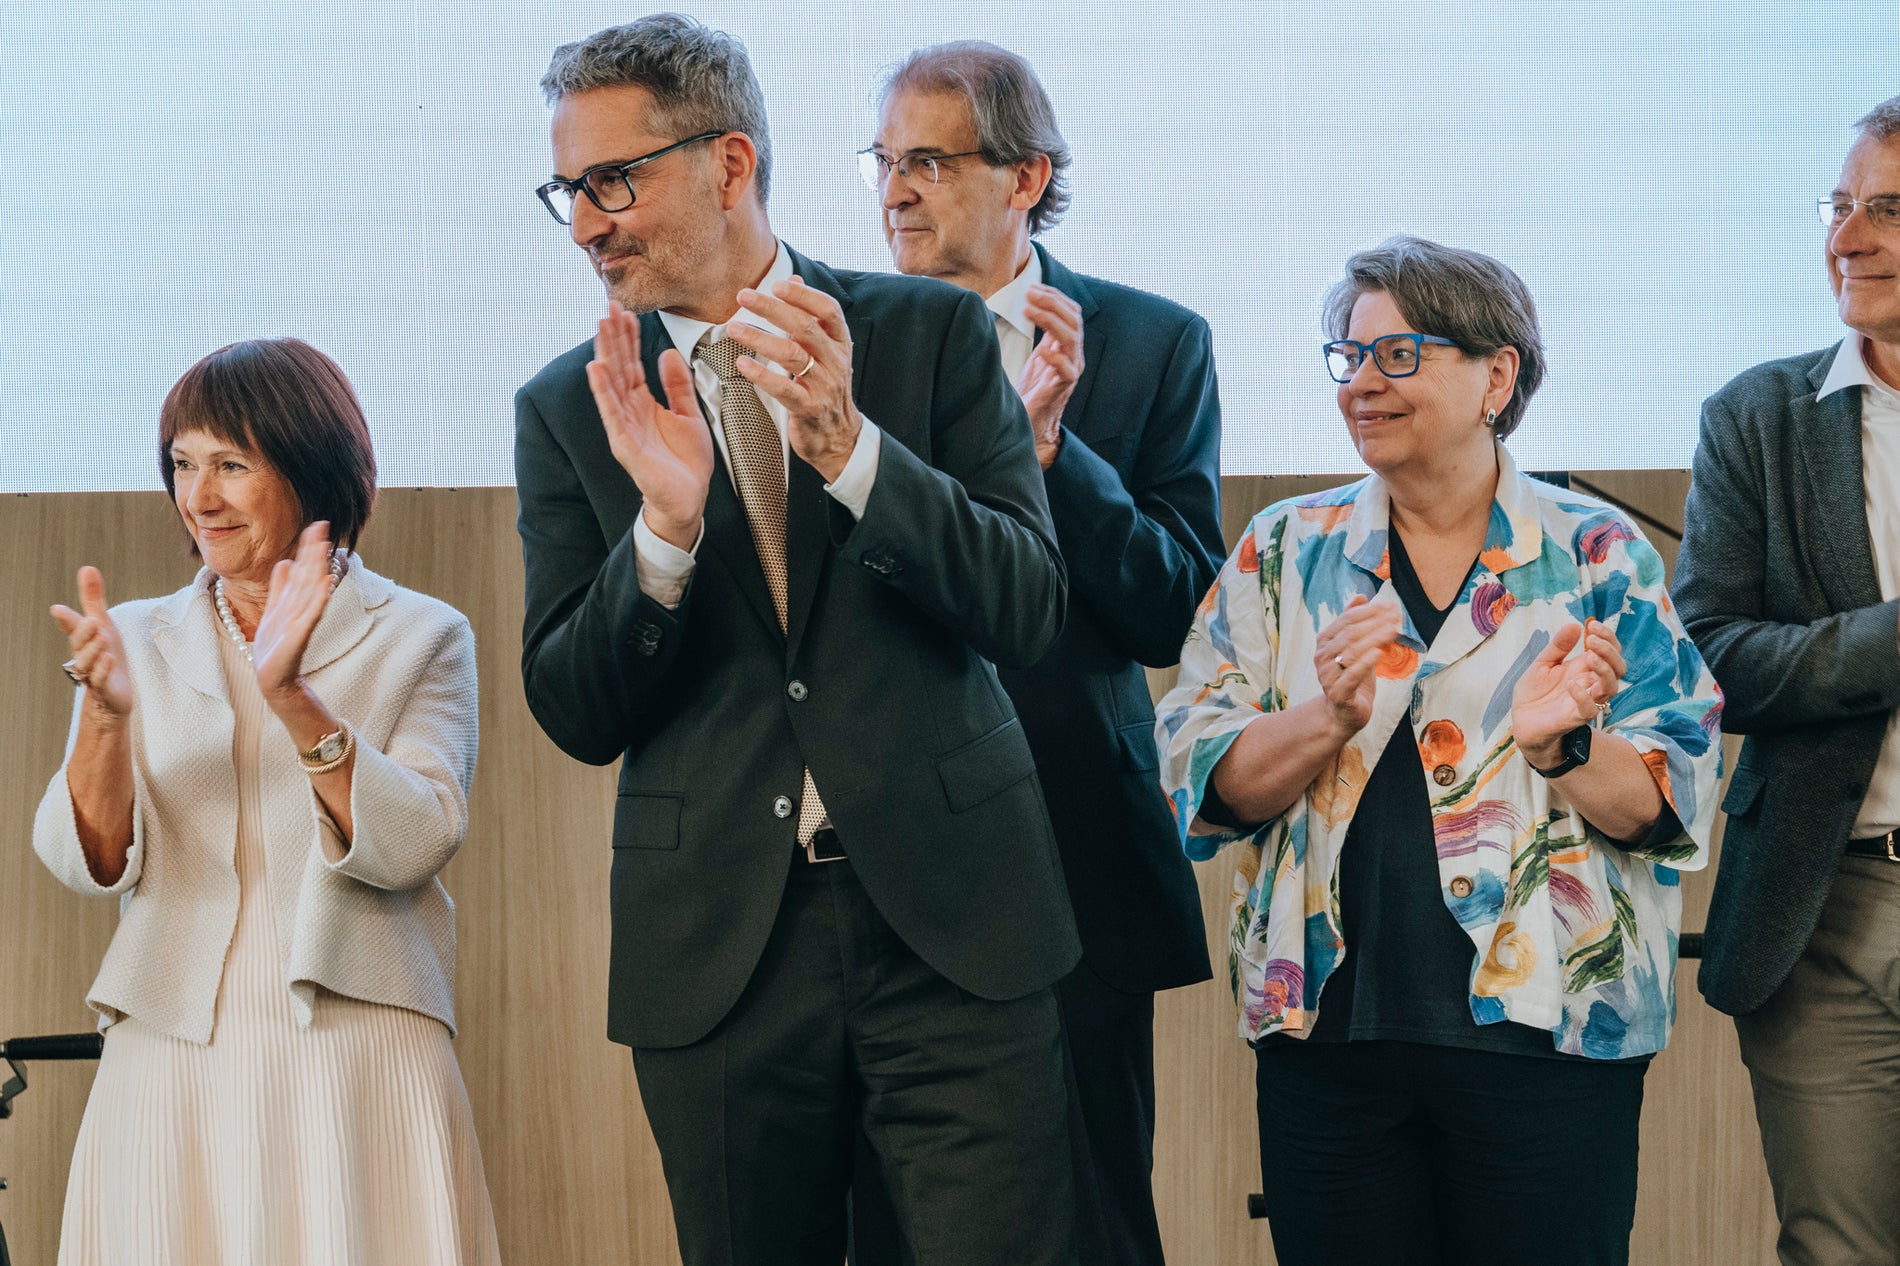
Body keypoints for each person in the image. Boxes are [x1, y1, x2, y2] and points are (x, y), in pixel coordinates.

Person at [513, 17, 1079, 1266]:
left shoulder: (926, 337)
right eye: (569, 190)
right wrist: (660, 535)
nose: (587, 224)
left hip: (953, 927)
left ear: (728, 164)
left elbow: (1028, 605)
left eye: (616, 181)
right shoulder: (566, 407)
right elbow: (572, 707)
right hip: (719, 950)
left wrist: (853, 452)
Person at [1154, 236, 1722, 1266]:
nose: (1362, 383)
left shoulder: (1597, 554)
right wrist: (1322, 718)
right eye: (1347, 357)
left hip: (1550, 1038)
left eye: (1398, 355)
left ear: (1496, 375)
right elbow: (1201, 777)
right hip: (1326, 1040)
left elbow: (1670, 796)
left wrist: (1563, 747)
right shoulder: (1284, 550)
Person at [852, 40, 1221, 1266]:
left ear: (1026, 177)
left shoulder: (1154, 342)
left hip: (1070, 848)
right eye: (885, 161)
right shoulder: (837, 343)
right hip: (882, 856)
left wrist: (1063, 467)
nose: (895, 191)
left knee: (1092, 1218)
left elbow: (1175, 610)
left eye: (929, 161)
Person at [32, 338, 497, 1264]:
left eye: (231, 465)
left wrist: (291, 698)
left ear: (312, 466)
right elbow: (79, 862)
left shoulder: (420, 633)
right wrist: (108, 722)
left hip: (356, 1047)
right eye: (183, 464)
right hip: (170, 1048)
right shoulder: (133, 636)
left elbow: (414, 843)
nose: (198, 498)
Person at [1673, 94, 1900, 1266]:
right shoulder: (1756, 418)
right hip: (1830, 906)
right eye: (1840, 205)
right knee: (1838, 1252)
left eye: (1887, 209)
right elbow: (1708, 660)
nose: (1846, 239)